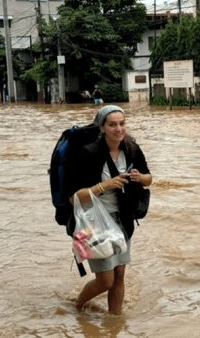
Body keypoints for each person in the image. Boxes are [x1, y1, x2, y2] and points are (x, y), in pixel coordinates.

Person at [68, 105, 152, 314]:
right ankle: (77, 306)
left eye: (122, 124)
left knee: (120, 275)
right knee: (106, 280)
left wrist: (138, 177)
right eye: (112, 125)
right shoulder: (88, 154)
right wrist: (105, 185)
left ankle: (115, 322)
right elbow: (73, 198)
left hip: (123, 220)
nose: (119, 129)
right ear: (102, 128)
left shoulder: (131, 148)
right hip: (94, 222)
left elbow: (149, 179)